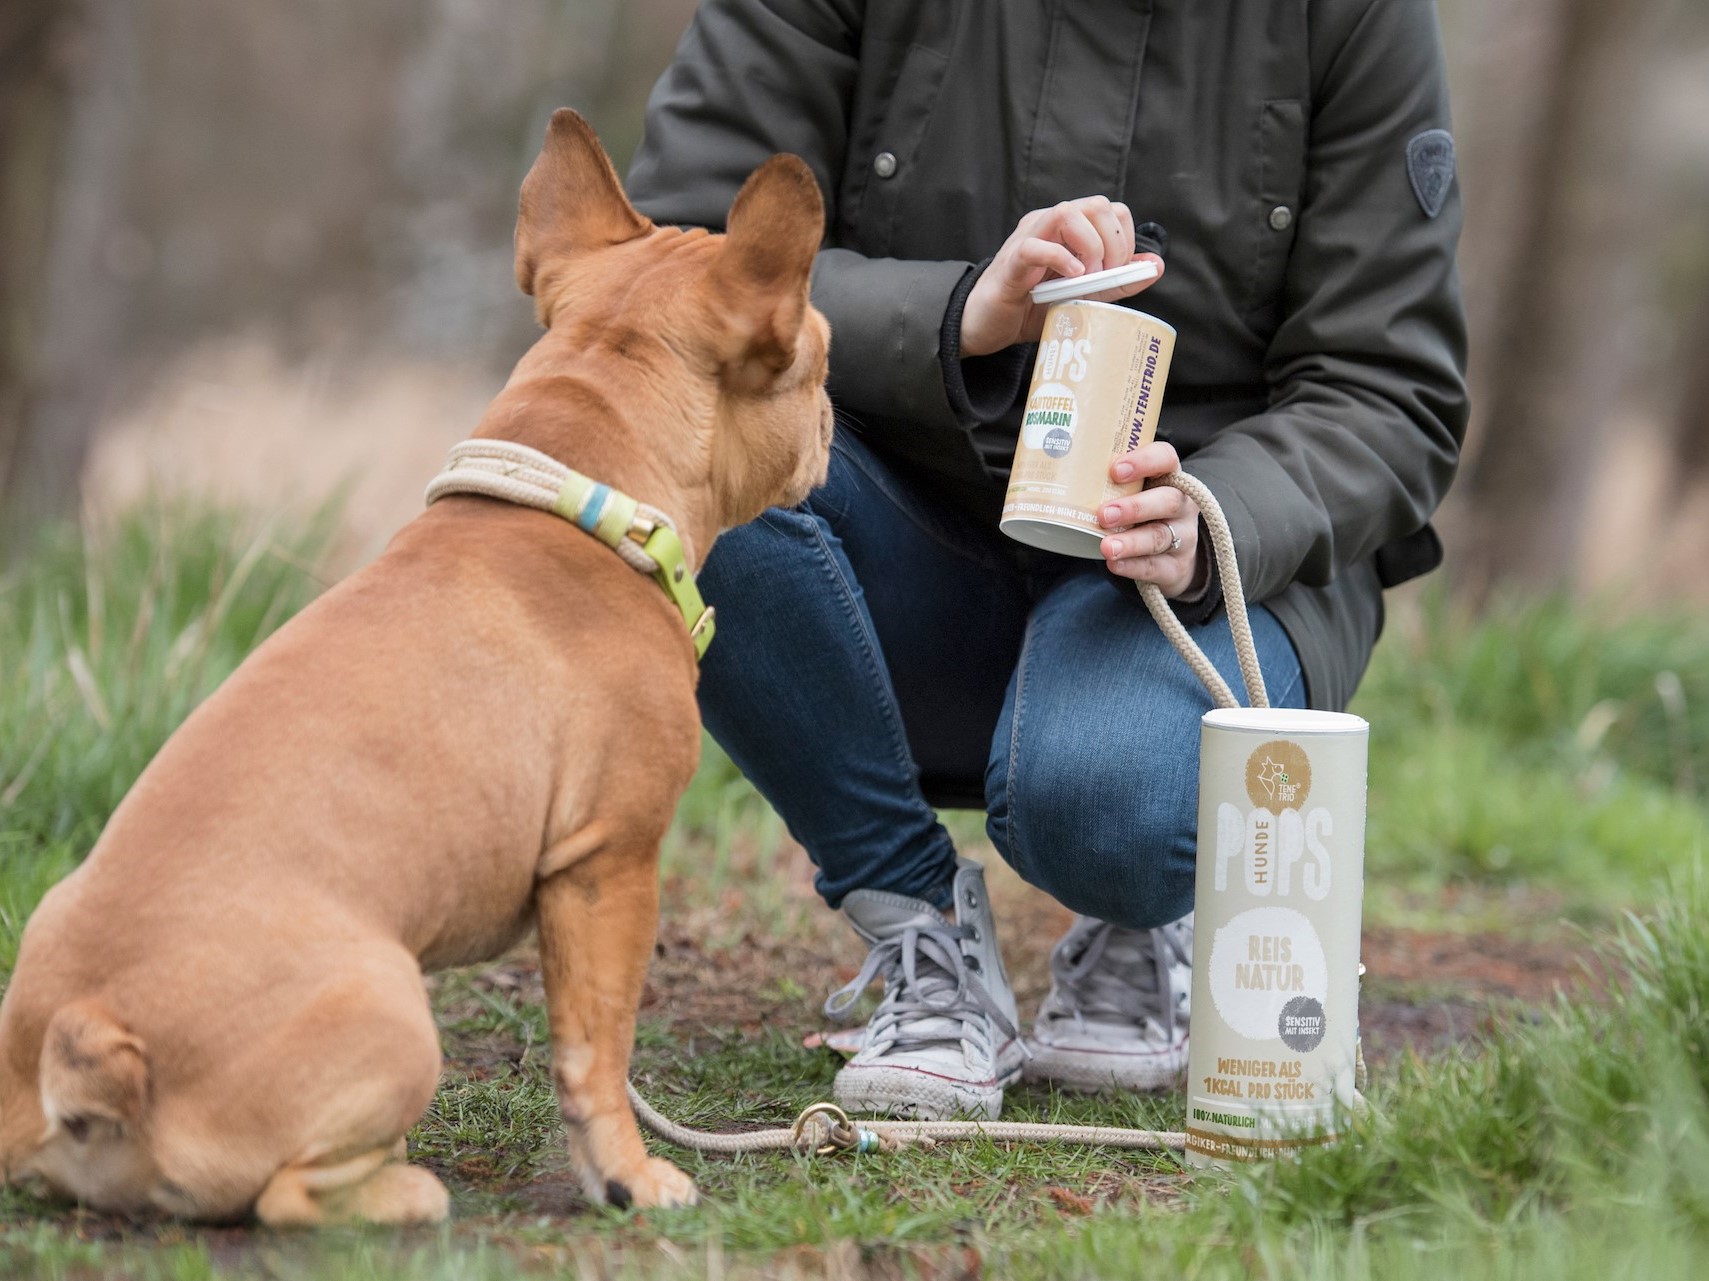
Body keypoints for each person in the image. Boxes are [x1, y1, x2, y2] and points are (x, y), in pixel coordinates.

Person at [625, 0, 1467, 1119]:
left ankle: (1142, 902)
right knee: (668, 457)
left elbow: (1387, 392)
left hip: (1199, 566)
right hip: (897, 515)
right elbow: (677, 267)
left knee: (1111, 804)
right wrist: (960, 310)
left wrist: (1215, 519)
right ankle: (916, 925)